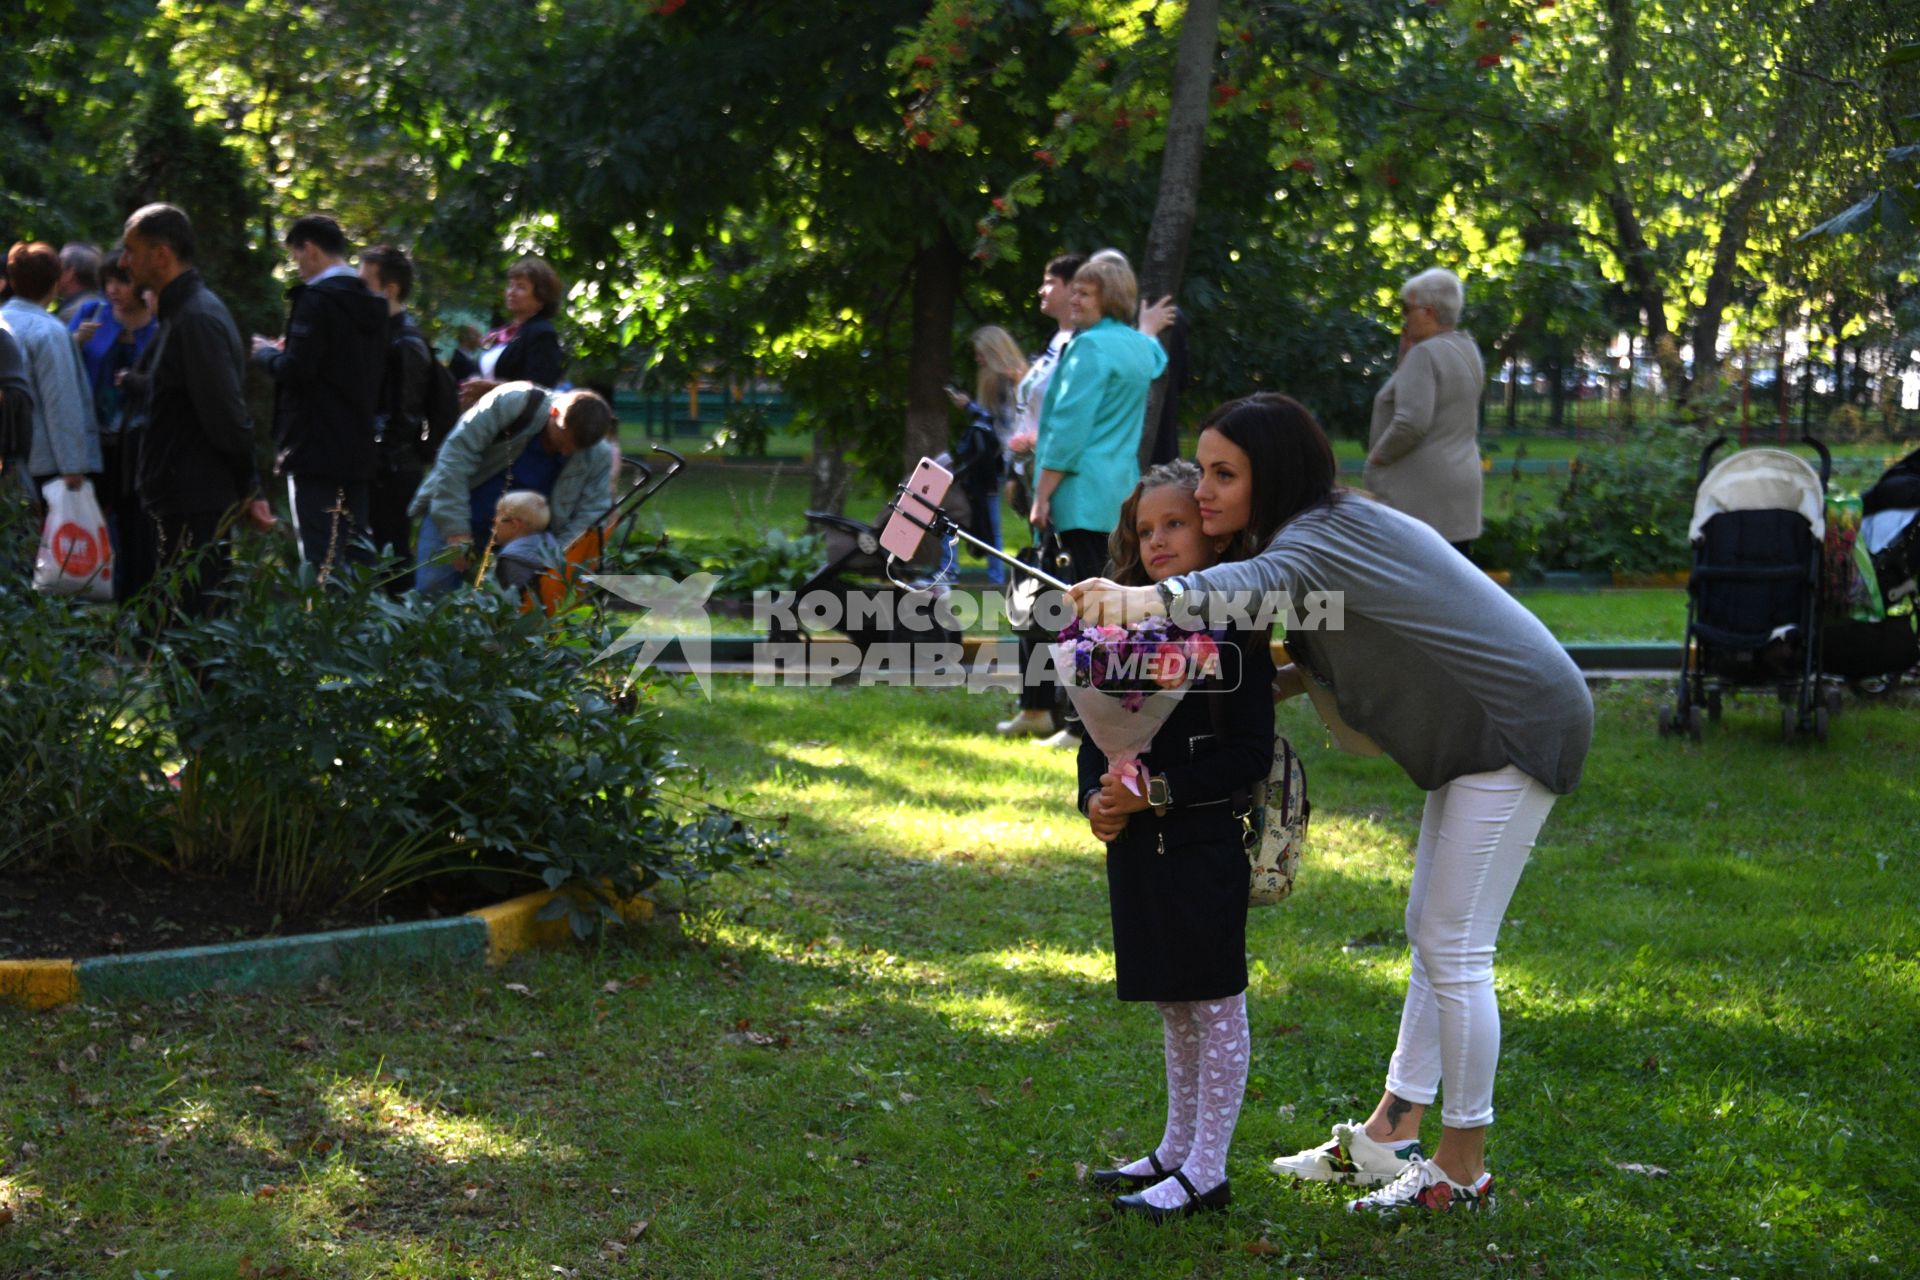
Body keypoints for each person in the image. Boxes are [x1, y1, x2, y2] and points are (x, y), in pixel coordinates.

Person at [1070, 392, 1593, 1215]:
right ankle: (1389, 1136)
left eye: (1223, 474)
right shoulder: (1320, 531)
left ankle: (1462, 1173)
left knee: (1455, 950)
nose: (1203, 492)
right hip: (1473, 737)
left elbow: (1254, 582)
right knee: (1433, 931)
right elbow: (1310, 657)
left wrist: (1138, 603)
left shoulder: (1317, 534)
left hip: (1517, 725)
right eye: (1203, 469)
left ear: (1269, 475)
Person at [1078, 460, 1274, 1222]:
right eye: (1144, 529)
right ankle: (1175, 1149)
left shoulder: (1239, 630)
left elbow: (1249, 753)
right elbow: (1096, 735)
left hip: (1201, 842)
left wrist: (1160, 792)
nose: (1156, 540)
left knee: (1214, 1002)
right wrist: (1097, 799)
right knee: (1173, 1003)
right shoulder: (1116, 630)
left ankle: (1209, 1171)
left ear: (1211, 529)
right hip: (1137, 849)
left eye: (1175, 524)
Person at [1030, 254, 1168, 747]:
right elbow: (1156, 358)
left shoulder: (1087, 349)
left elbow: (1066, 431)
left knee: (1078, 609)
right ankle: (1099, 713)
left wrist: (1041, 495)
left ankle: (1077, 722)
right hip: (1121, 491)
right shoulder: (1138, 347)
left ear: (1108, 296)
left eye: (1085, 293)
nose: (1074, 299)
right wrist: (1147, 327)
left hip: (1079, 491)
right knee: (1112, 606)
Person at [119, 203, 272, 623]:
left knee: (196, 625)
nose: (123, 262)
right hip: (180, 497)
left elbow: (226, 414)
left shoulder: (196, 318)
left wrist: (249, 487)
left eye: (131, 251)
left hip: (195, 500)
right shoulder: (179, 313)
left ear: (161, 255)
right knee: (182, 622)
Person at [251, 214, 388, 575]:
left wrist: (266, 354)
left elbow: (298, 370)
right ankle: (366, 628)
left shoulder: (316, 300)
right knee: (357, 548)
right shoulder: (373, 304)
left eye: (296, 258)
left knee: (319, 554)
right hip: (358, 443)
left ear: (309, 249)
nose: (297, 268)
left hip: (314, 444)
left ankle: (324, 629)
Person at [410, 383, 613, 595]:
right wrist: (455, 529)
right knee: (433, 590)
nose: (565, 452)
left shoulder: (598, 455)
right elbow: (455, 458)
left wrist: (556, 560)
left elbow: (590, 515)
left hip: (526, 539)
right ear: (553, 413)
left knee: (509, 611)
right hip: (459, 510)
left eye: (574, 449)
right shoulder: (513, 403)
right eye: (563, 441)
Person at [1362, 267, 1486, 557]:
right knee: (1453, 588)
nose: (1404, 317)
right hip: (1460, 487)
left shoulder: (1425, 354)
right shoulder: (1466, 348)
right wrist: (1404, 359)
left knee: (1409, 590)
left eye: (1407, 309)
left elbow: (1411, 423)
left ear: (1428, 312)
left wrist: (1378, 458)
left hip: (1420, 497)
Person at [68, 249, 159, 600]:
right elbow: (61, 363)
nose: (112, 290)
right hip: (93, 441)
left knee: (136, 531)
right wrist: (76, 342)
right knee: (94, 524)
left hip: (138, 448)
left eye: (121, 281)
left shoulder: (157, 323)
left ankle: (132, 604)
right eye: (107, 282)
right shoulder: (91, 314)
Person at [358, 244, 435, 594]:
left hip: (394, 470)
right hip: (381, 466)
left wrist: (381, 459)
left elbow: (404, 412)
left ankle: (399, 636)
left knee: (393, 557)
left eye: (365, 283)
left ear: (389, 289)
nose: (358, 291)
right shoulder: (382, 336)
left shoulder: (406, 342)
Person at [1, 242, 98, 503]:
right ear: (55, 283)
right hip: (44, 464)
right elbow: (61, 401)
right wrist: (72, 465)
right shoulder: (49, 332)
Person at [945, 325, 1027, 587]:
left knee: (978, 517)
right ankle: (994, 576)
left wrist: (970, 407)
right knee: (989, 520)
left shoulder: (1003, 382)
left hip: (997, 462)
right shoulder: (1008, 379)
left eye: (981, 354)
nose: (978, 359)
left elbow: (1000, 424)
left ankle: (981, 575)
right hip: (1000, 460)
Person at [457, 256, 565, 409]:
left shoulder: (542, 333)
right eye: (510, 285)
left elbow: (539, 389)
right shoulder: (502, 332)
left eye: (520, 287)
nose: (511, 292)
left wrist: (492, 388)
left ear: (541, 297)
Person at [489, 488, 560, 592]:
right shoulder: (553, 546)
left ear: (514, 525)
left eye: (497, 519)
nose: (494, 524)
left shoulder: (511, 559)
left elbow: (514, 603)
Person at [54, 242, 104, 325]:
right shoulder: (105, 305)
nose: (53, 271)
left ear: (70, 272)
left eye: (57, 265)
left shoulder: (70, 314)